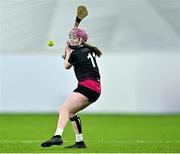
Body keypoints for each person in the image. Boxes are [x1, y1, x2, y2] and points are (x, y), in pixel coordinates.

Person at [41, 27, 102, 148]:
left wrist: (68, 52)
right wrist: (70, 53)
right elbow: (76, 60)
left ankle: (57, 136)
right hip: (96, 90)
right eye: (71, 37)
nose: (72, 39)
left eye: (75, 37)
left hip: (87, 86)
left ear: (81, 40)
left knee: (63, 109)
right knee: (71, 112)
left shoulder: (76, 53)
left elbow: (66, 66)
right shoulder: (87, 50)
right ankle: (80, 142)